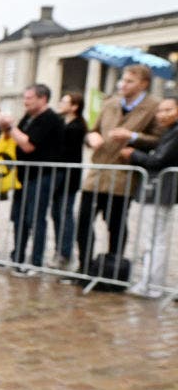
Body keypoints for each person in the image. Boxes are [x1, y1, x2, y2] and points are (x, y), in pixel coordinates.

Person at [76, 64, 162, 275]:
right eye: (122, 80)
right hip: (97, 174)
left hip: (122, 177)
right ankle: (85, 266)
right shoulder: (110, 103)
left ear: (144, 84)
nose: (123, 84)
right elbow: (93, 130)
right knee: (84, 221)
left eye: (130, 81)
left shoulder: (153, 107)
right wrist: (90, 137)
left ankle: (113, 268)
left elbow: (159, 139)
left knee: (115, 224)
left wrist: (133, 137)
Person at [0, 84, 63, 274]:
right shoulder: (28, 117)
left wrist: (11, 127)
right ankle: (17, 256)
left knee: (35, 218)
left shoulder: (51, 119)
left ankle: (35, 261)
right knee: (19, 217)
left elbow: (28, 145)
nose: (25, 102)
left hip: (42, 176)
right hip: (24, 175)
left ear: (42, 99)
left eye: (29, 98)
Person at [122, 95, 178, 297]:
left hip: (161, 189)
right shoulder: (168, 132)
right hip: (159, 189)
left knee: (155, 238)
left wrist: (133, 155)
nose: (161, 115)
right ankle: (151, 282)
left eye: (168, 110)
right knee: (154, 238)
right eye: (160, 111)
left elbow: (159, 160)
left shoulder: (175, 133)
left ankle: (152, 285)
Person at [48, 92, 87, 270]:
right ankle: (60, 251)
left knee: (64, 214)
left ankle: (65, 253)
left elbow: (63, 150)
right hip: (59, 176)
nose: (60, 103)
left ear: (74, 106)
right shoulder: (62, 122)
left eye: (65, 101)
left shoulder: (76, 126)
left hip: (68, 178)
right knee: (57, 214)